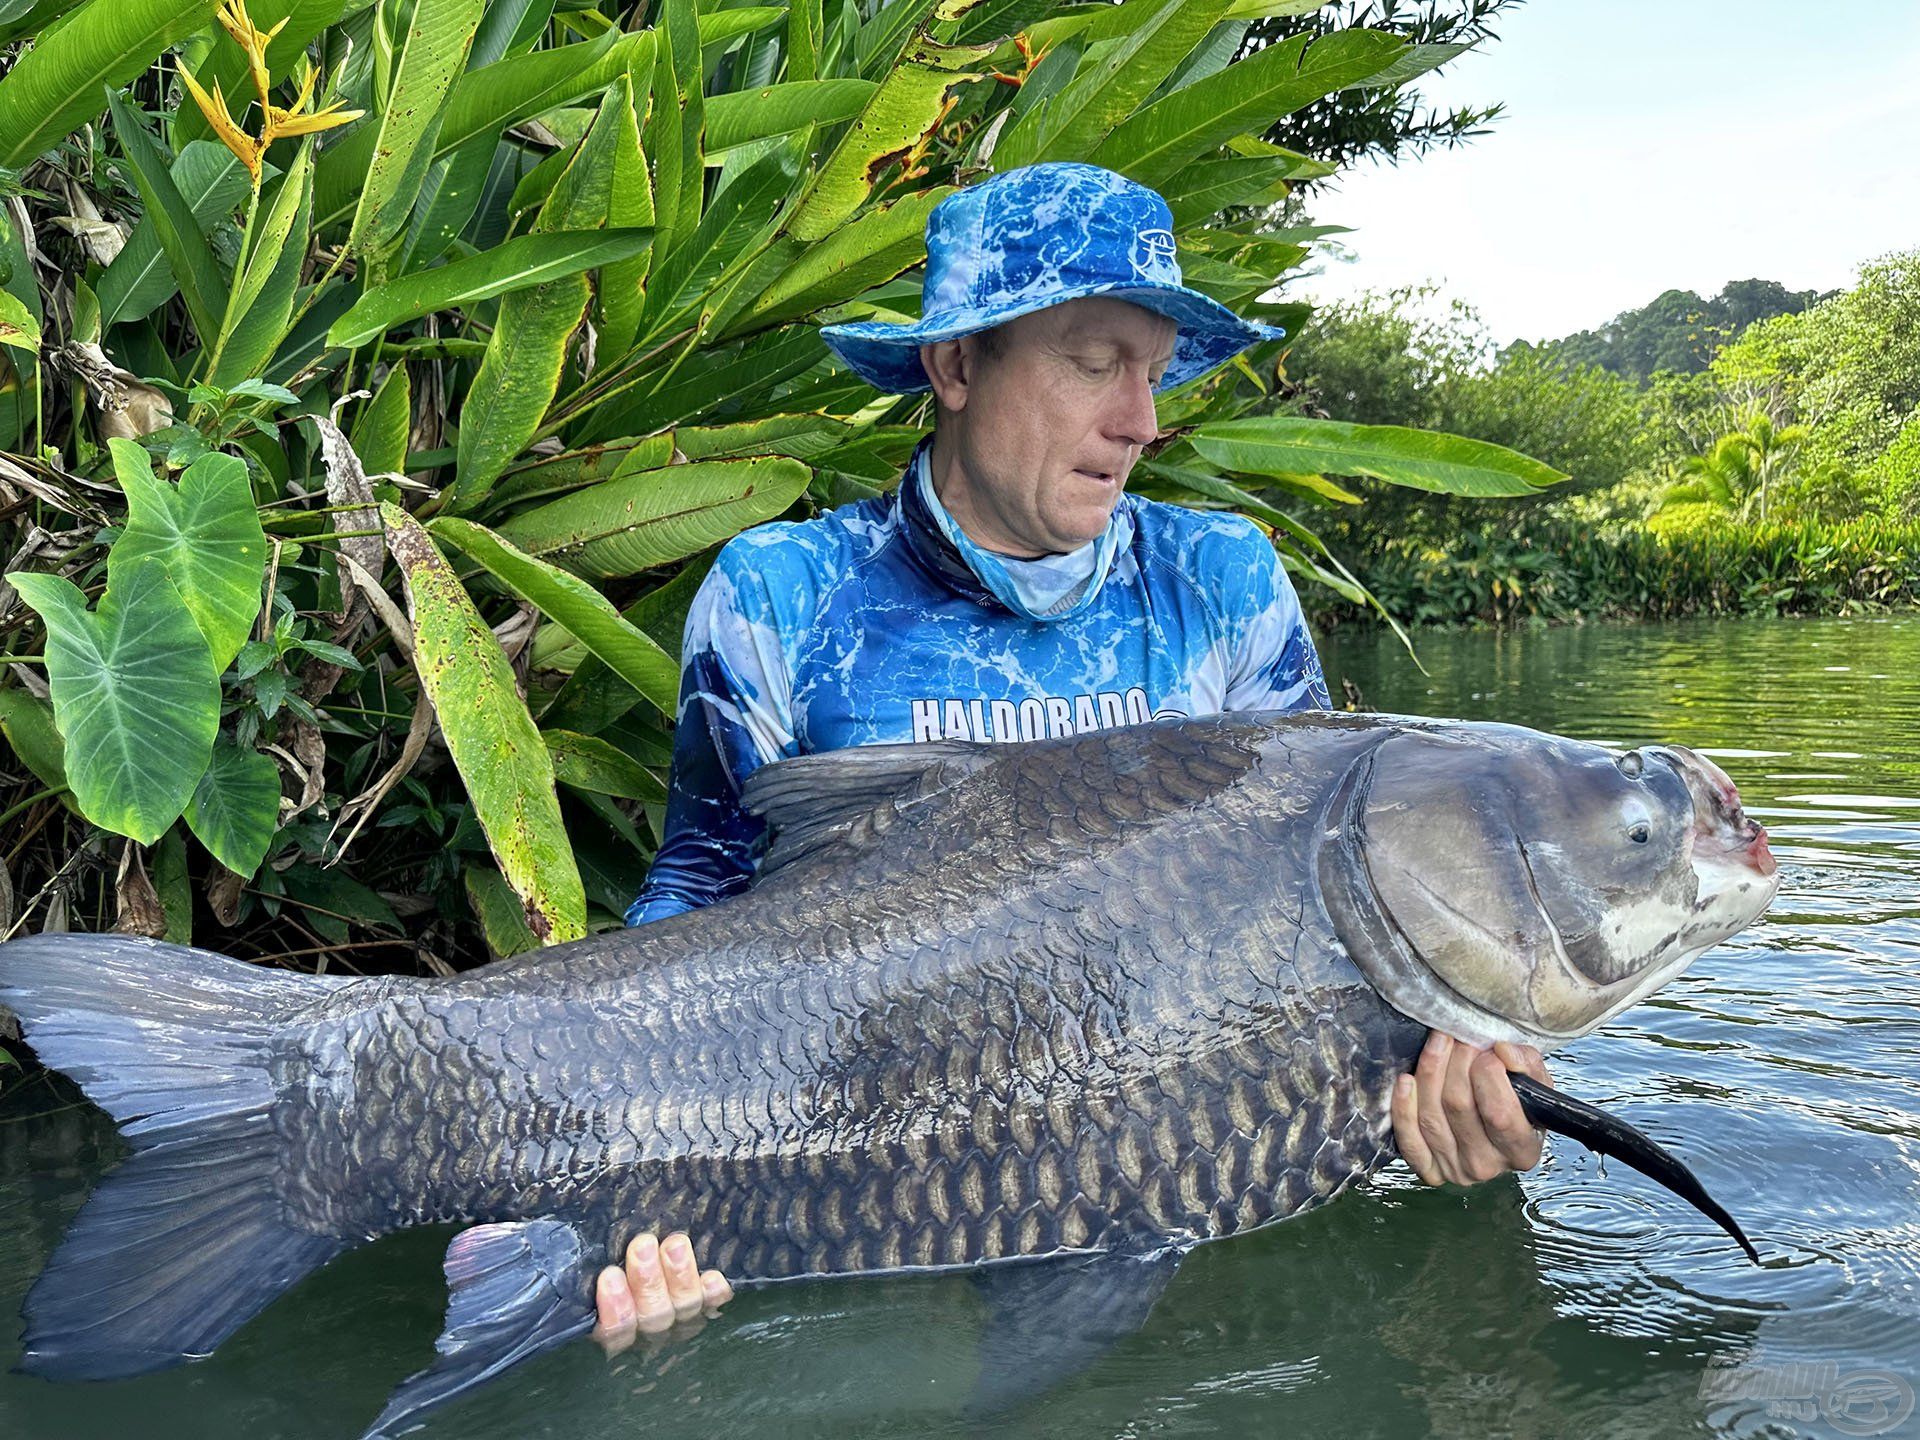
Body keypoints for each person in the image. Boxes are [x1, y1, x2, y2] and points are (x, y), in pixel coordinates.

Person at [591, 162, 1551, 1353]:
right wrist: (634, 1183)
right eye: (1095, 360)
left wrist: (1449, 1084)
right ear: (955, 366)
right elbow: (694, 897)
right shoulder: (783, 595)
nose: (1143, 420)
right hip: (837, 1173)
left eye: (1151, 370)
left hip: (1187, 1208)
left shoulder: (1222, 585)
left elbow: (1329, 929)